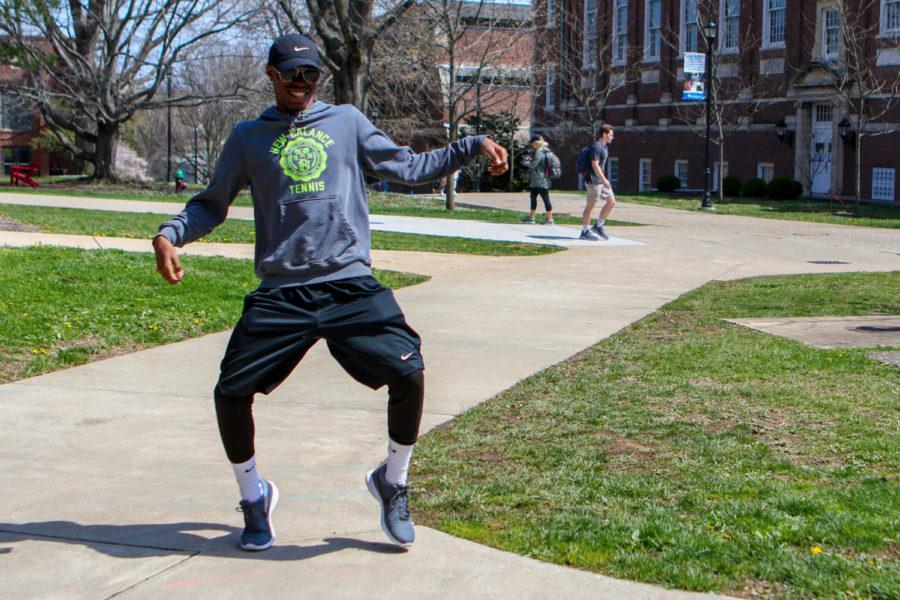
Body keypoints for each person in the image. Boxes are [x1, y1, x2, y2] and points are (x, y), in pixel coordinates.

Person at [152, 33, 508, 551]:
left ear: (320, 77)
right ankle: (254, 498)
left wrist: (473, 145)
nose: (300, 82)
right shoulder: (248, 137)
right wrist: (170, 233)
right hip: (282, 291)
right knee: (230, 392)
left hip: (347, 283)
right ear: (271, 75)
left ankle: (393, 481)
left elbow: (407, 168)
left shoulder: (346, 122)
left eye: (310, 74)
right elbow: (211, 203)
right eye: (290, 73)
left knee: (408, 371)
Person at [575, 124, 616, 241]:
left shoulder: (604, 147)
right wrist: (604, 179)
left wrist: (603, 180)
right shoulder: (596, 147)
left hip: (601, 180)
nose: (612, 137)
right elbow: (595, 165)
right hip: (593, 181)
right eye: (611, 135)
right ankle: (585, 231)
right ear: (604, 134)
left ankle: (598, 226)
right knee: (590, 206)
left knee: (611, 202)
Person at [519, 134, 554, 225]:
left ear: (536, 143)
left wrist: (525, 162)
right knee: (535, 197)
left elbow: (533, 165)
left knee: (544, 198)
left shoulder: (539, 152)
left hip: (539, 180)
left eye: (532, 143)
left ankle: (549, 219)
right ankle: (531, 217)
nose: (531, 145)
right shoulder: (547, 151)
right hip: (544, 178)